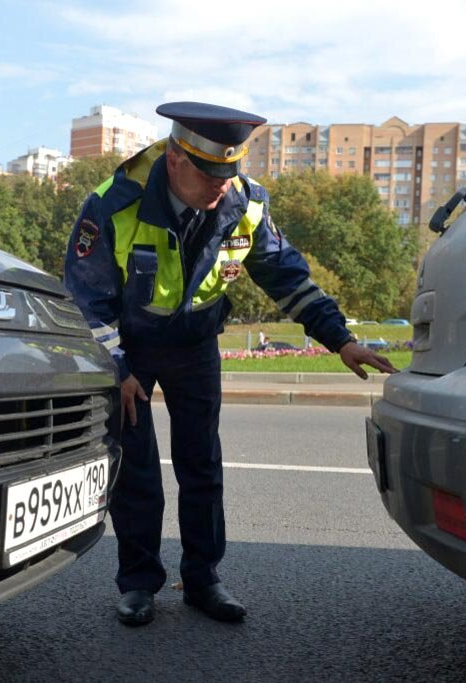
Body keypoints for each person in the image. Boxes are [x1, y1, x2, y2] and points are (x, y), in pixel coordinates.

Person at [63, 102, 396, 626]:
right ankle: (138, 584)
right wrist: (117, 366)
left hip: (195, 345)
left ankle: (203, 579)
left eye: (230, 171)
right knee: (138, 471)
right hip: (130, 349)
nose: (222, 184)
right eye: (209, 172)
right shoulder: (114, 205)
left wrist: (340, 340)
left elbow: (286, 277)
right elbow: (86, 298)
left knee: (202, 467)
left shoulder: (243, 204)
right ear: (175, 159)